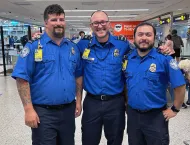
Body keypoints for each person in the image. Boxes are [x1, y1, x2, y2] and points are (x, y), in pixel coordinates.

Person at [76, 11, 173, 145]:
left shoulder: (123, 44)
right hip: (92, 102)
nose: (100, 26)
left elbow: (142, 51)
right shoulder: (82, 45)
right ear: (91, 25)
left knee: (116, 140)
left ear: (109, 24)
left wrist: (162, 50)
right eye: (96, 23)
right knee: (88, 140)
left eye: (103, 22)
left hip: (116, 103)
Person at [11, 4, 82, 145]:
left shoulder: (72, 48)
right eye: (54, 20)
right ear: (45, 23)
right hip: (44, 113)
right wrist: (28, 109)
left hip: (68, 110)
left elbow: (78, 76)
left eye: (61, 19)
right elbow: (21, 79)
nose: (59, 23)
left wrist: (78, 101)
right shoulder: (32, 47)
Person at [124, 22, 186, 145]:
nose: (144, 38)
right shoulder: (128, 59)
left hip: (156, 116)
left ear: (154, 37)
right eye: (140, 34)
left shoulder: (165, 58)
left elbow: (180, 84)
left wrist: (175, 109)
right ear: (134, 37)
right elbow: (126, 83)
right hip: (133, 116)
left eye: (148, 34)